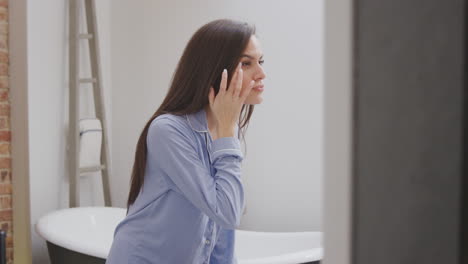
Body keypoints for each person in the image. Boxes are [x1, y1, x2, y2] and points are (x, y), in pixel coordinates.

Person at [105, 18, 266, 264]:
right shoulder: (168, 131)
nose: (261, 74)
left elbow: (219, 234)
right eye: (246, 63)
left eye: (260, 62)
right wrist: (226, 132)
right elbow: (227, 213)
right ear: (215, 69)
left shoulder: (222, 130)